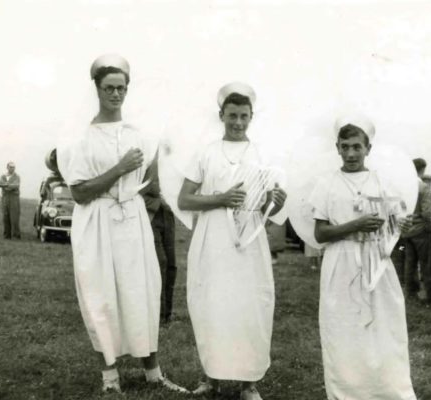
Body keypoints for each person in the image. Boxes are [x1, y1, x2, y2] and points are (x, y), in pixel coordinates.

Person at [56, 54, 187, 394]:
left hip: (131, 219)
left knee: (142, 289)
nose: (116, 94)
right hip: (96, 221)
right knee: (100, 292)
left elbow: (153, 169)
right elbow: (80, 192)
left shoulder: (136, 133)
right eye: (109, 88)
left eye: (121, 88)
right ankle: (110, 377)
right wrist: (119, 168)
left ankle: (153, 371)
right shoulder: (80, 138)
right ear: (97, 90)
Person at [177, 82, 287, 400]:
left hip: (249, 239)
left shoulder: (261, 153)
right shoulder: (206, 152)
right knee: (212, 304)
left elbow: (272, 206)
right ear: (221, 115)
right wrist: (221, 198)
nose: (238, 122)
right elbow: (185, 199)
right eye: (232, 116)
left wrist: (277, 200)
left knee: (249, 305)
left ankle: (248, 382)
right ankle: (210, 376)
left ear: (252, 117)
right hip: (213, 237)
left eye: (244, 116)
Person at [310, 116, 416, 400]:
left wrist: (400, 228)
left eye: (357, 147)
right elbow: (320, 233)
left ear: (368, 148)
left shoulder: (382, 182)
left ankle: (386, 390)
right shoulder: (327, 184)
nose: (351, 154)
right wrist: (354, 225)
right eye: (345, 147)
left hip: (377, 262)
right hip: (340, 262)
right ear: (337, 148)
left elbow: (395, 227)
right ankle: (348, 391)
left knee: (384, 327)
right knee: (343, 330)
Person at [140, 152, 178, 324]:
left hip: (167, 215)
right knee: (159, 263)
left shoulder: (177, 164)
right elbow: (138, 191)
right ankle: (158, 315)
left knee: (171, 264)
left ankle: (167, 314)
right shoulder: (148, 161)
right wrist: (160, 200)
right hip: (150, 216)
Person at [400, 158, 431, 303]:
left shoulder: (404, 187)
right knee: (427, 264)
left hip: (407, 229)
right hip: (421, 230)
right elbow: (427, 213)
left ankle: (410, 293)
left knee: (410, 263)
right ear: (422, 169)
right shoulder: (423, 187)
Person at [0, 161, 21, 239]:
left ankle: (16, 235)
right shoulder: (3, 176)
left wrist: (5, 186)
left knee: (14, 217)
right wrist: (8, 185)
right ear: (7, 167)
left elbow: (16, 185)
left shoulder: (17, 176)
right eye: (11, 167)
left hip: (14, 198)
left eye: (13, 167)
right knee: (5, 216)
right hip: (5, 198)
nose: (12, 169)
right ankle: (7, 235)